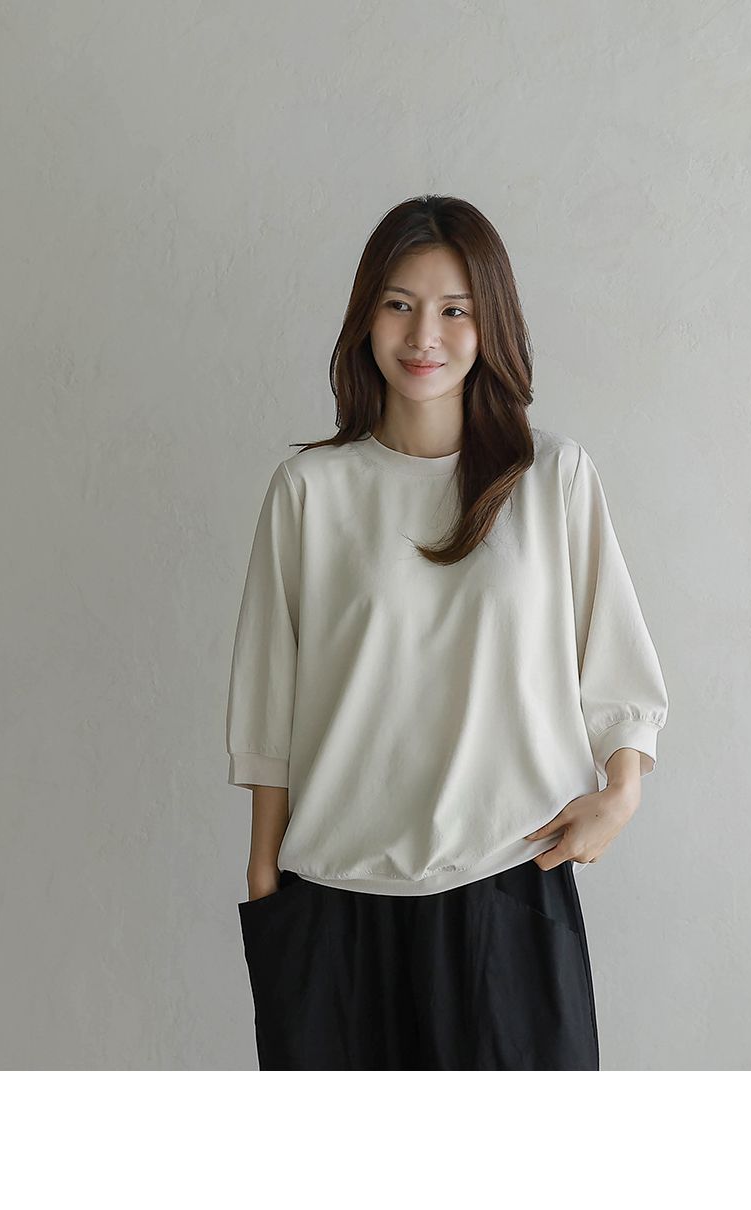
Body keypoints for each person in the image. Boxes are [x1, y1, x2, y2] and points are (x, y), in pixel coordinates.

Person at [225, 194, 669, 1070]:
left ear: (489, 323)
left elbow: (618, 673)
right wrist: (264, 881)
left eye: (455, 310)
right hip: (335, 904)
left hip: (507, 893)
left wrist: (621, 793)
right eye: (400, 304)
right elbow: (268, 709)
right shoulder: (311, 491)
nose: (424, 335)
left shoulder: (550, 478)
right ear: (366, 316)